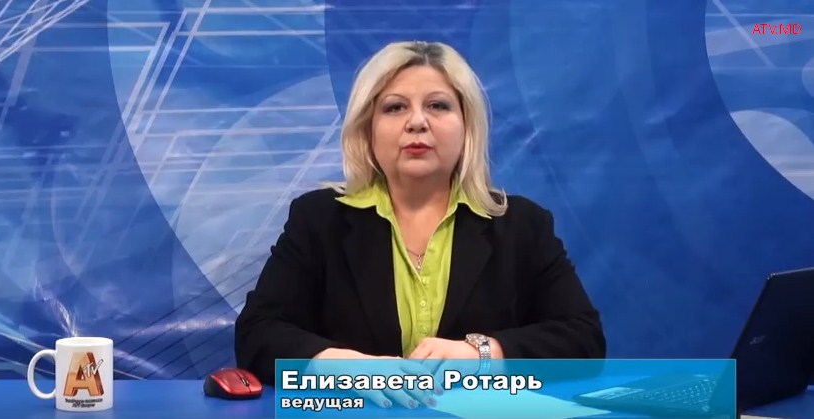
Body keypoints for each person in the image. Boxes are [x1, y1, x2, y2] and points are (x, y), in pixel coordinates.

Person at [234, 40, 605, 400]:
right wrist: (339, 366)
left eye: (437, 105)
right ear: (368, 128)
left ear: (467, 125)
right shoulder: (318, 219)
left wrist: (482, 355)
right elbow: (258, 333)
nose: (416, 122)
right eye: (395, 107)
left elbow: (583, 340)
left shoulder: (523, 225)